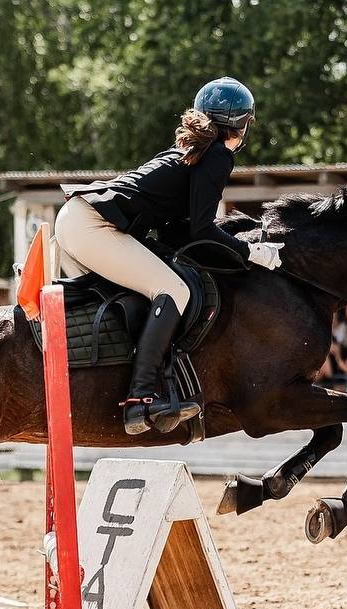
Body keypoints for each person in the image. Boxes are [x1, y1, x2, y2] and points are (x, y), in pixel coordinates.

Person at [55, 77, 283, 436]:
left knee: (141, 294)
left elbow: (180, 231)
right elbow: (202, 230)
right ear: (242, 124)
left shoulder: (191, 151)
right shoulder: (217, 155)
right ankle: (140, 398)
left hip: (77, 218)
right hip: (94, 225)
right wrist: (250, 251)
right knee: (175, 290)